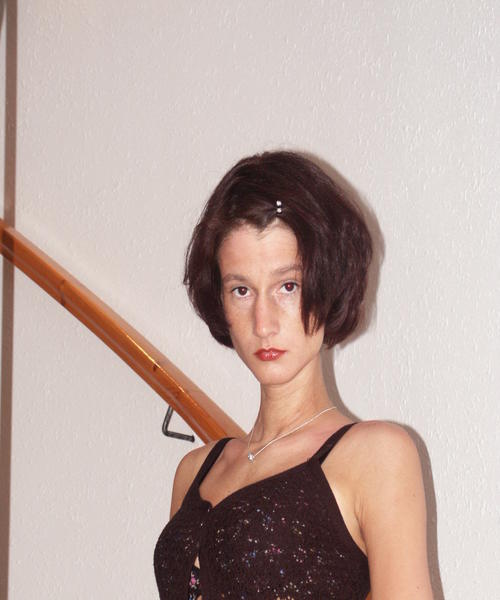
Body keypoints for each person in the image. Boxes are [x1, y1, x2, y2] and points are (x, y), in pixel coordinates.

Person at [154, 151, 433, 599]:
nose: (263, 322)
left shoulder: (376, 455)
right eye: (241, 290)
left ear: (328, 285)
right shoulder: (193, 471)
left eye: (288, 286)